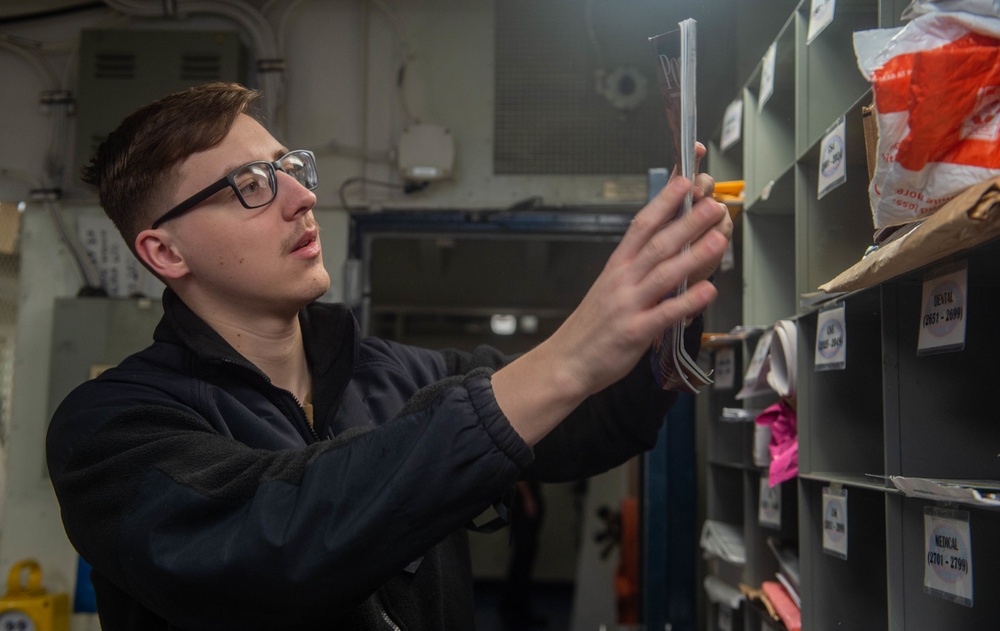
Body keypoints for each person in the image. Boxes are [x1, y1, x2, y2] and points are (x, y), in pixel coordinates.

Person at [46, 82, 732, 630]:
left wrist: (673, 298)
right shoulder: (110, 431)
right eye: (252, 184)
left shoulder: (399, 372)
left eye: (292, 168)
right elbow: (273, 543)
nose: (303, 197)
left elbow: (591, 420)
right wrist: (566, 357)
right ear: (165, 251)